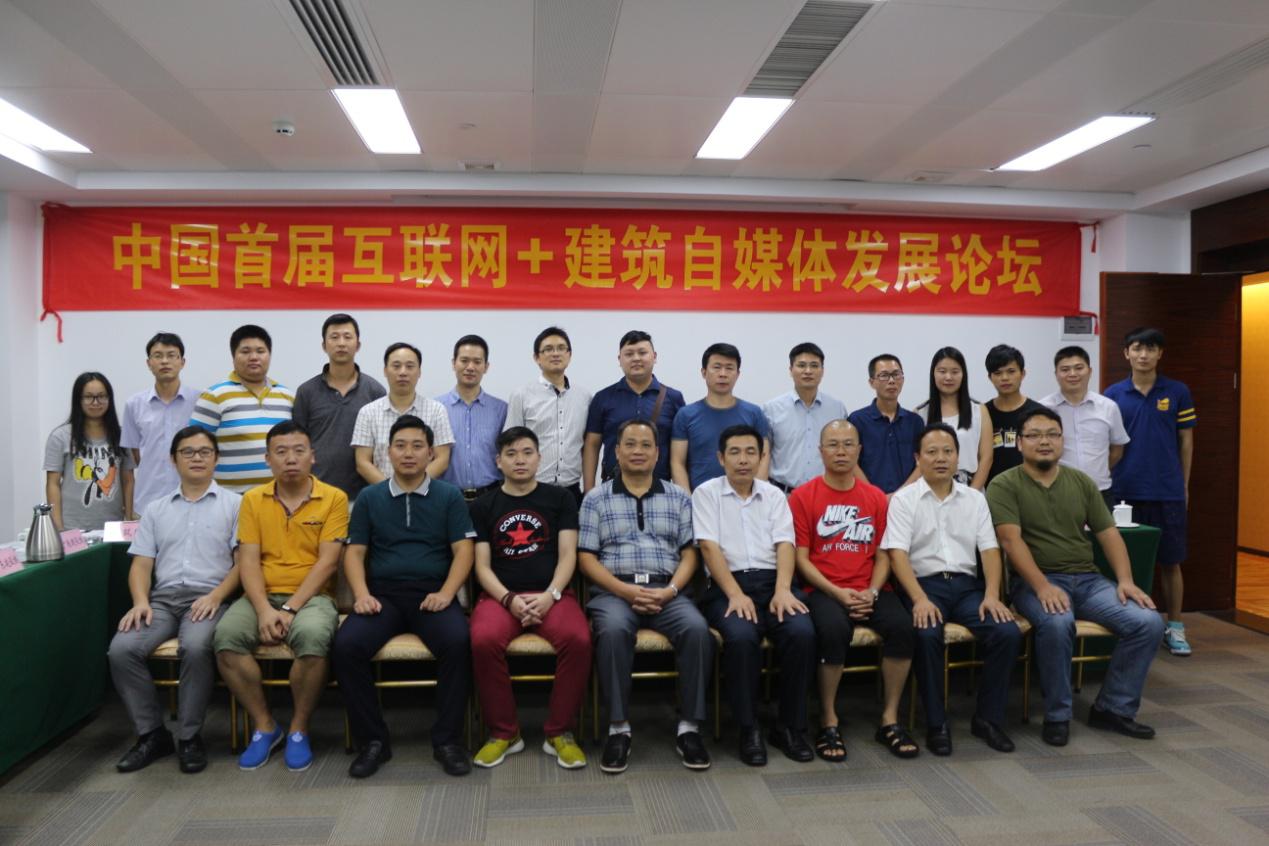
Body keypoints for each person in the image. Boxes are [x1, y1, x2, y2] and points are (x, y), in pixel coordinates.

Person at [986, 407, 1164, 747]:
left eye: (1052, 434)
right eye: (1035, 435)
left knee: (1149, 623)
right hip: (1035, 582)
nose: (1044, 441)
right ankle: (1057, 715)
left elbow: (1108, 534)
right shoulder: (1004, 484)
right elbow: (1010, 541)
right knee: (1057, 623)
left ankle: (1113, 708)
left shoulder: (1081, 482)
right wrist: (1042, 586)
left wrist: (1125, 580)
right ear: (1020, 443)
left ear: (1062, 441)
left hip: (1088, 581)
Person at [333, 415, 477, 778]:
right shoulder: (370, 498)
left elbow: (464, 551)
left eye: (417, 446)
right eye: (400, 446)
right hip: (383, 597)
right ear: (387, 452)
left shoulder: (449, 496)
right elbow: (355, 553)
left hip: (433, 595)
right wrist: (361, 595)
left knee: (459, 642)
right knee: (347, 646)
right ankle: (373, 741)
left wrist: (446, 593)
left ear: (431, 453)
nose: (408, 453)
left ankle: (448, 741)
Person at [579, 418, 714, 774]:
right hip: (614, 590)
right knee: (612, 632)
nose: (637, 451)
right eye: (630, 444)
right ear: (616, 451)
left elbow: (690, 554)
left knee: (697, 630)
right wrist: (623, 589)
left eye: (645, 445)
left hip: (667, 589)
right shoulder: (595, 499)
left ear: (657, 453)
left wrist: (671, 591)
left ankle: (689, 727)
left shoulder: (678, 497)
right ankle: (618, 729)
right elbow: (586, 558)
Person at [213, 421, 347, 772]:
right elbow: (248, 561)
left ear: (312, 456)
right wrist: (262, 609)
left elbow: (328, 563)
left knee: (314, 638)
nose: (291, 459)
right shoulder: (252, 500)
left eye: (299, 451)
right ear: (268, 459)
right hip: (261, 594)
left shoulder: (334, 498)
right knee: (226, 639)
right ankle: (265, 725)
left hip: (313, 596)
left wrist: (289, 608)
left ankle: (299, 728)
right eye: (281, 452)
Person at [882, 423, 1022, 756]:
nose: (941, 458)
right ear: (918, 458)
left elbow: (989, 549)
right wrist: (918, 599)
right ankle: (936, 723)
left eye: (948, 451)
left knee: (1006, 631)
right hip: (923, 586)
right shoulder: (903, 500)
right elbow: (897, 554)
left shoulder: (974, 499)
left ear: (958, 457)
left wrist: (992, 595)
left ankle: (988, 719)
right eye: (931, 452)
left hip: (967, 588)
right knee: (927, 633)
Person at [108, 426, 241, 774]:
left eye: (204, 452)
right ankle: (152, 734)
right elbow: (141, 564)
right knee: (122, 649)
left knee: (195, 647)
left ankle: (189, 737)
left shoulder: (236, 505)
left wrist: (216, 596)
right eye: (188, 452)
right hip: (162, 601)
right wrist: (140, 601)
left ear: (216, 459)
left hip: (209, 598)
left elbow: (243, 565)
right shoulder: (155, 509)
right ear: (173, 459)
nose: (197, 458)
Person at [789, 419, 917, 762]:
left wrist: (872, 592)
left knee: (903, 628)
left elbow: (884, 555)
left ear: (859, 450)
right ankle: (828, 718)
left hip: (870, 588)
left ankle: (889, 719)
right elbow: (801, 559)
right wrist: (836, 592)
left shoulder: (875, 497)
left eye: (848, 444)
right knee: (832, 630)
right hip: (824, 590)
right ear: (821, 451)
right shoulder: (802, 496)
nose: (841, 451)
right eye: (833, 444)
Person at [469, 427, 591, 769]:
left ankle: (560, 732)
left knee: (579, 640)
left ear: (539, 458)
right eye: (511, 454)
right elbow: (481, 566)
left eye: (526, 452)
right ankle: (504, 733)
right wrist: (509, 600)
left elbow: (568, 556)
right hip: (501, 597)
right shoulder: (483, 505)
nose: (519, 460)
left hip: (552, 595)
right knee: (482, 640)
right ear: (498, 461)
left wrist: (551, 596)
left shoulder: (560, 499)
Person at [693, 425, 815, 766]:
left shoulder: (774, 495)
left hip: (773, 582)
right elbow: (708, 547)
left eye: (751, 452)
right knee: (742, 637)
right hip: (726, 587)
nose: (743, 460)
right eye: (735, 452)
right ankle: (748, 729)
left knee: (802, 633)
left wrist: (783, 590)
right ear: (721, 458)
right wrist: (735, 594)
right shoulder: (706, 493)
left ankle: (789, 726)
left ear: (762, 457)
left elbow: (785, 544)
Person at [1105, 328, 1196, 656]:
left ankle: (1175, 627)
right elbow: (1108, 444)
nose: (1143, 354)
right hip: (1124, 490)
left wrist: (1183, 484)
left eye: (1150, 348)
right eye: (1137, 348)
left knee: (1171, 561)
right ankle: (1126, 627)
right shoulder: (1113, 394)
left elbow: (1186, 441)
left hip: (1166, 491)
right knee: (1122, 563)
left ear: (1160, 353)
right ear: (1126, 353)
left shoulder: (1177, 391)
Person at [189, 324, 295, 493]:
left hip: (279, 498)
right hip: (230, 498)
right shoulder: (214, 396)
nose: (254, 357)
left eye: (260, 351)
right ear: (233, 357)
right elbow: (193, 446)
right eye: (245, 352)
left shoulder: (287, 397)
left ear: (269, 355)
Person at [291, 313, 386, 500]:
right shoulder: (306, 392)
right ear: (324, 345)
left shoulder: (375, 391)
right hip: (317, 494)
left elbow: (383, 446)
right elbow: (297, 444)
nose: (341, 343)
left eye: (347, 337)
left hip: (364, 495)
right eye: (334, 337)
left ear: (358, 345)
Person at [583, 330, 685, 489]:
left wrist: (682, 493)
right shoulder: (603, 398)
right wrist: (588, 491)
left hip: (661, 489)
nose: (636, 358)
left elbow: (681, 451)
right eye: (629, 354)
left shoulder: (673, 398)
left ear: (654, 356)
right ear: (620, 359)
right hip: (613, 489)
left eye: (642, 353)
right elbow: (592, 445)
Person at [504, 326, 592, 504]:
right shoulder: (521, 395)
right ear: (537, 357)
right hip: (531, 489)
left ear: (569, 354)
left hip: (571, 490)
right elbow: (510, 445)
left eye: (561, 348)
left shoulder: (584, 397)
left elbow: (586, 445)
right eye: (548, 349)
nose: (555, 353)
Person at [670, 342, 770, 491]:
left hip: (745, 498)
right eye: (717, 367)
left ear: (738, 374)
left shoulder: (754, 413)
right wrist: (688, 500)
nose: (723, 374)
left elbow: (764, 458)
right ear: (704, 372)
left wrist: (756, 496)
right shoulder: (686, 415)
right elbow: (677, 463)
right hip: (699, 499)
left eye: (729, 368)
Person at [1040, 346, 1129, 511]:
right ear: (1056, 374)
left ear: (1090, 371)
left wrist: (1098, 470)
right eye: (1065, 369)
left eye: (1079, 368)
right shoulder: (1043, 409)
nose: (1072, 374)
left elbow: (1117, 450)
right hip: (1056, 492)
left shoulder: (1108, 407)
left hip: (1100, 492)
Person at [121, 332, 201, 517]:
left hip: (193, 500)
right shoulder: (134, 404)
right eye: (158, 356)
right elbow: (134, 456)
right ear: (149, 363)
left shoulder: (200, 401)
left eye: (171, 355)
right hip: (147, 502)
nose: (165, 361)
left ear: (182, 362)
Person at [44, 371, 135, 531]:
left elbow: (128, 481)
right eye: (88, 397)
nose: (95, 402)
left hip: (113, 527)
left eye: (101, 396)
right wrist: (58, 527)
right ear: (78, 400)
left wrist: (129, 520)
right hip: (72, 528)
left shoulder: (121, 436)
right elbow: (53, 484)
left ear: (109, 399)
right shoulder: (60, 436)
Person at [352, 342, 454, 485]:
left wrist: (414, 487)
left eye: (410, 366)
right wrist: (391, 490)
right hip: (382, 493)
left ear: (419, 372)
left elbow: (442, 459)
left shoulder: (437, 410)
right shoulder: (367, 413)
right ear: (385, 371)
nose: (403, 372)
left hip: (425, 493)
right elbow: (363, 462)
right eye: (396, 366)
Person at [763, 342, 847, 493]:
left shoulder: (837, 409)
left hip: (825, 494)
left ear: (822, 371)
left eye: (814, 366)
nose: (808, 371)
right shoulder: (771, 409)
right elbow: (764, 454)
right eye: (801, 365)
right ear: (791, 370)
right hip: (783, 495)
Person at [438, 334, 508, 501]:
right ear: (453, 363)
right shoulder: (436, 408)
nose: (470, 367)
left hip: (491, 497)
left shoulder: (501, 409)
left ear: (486, 366)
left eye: (477, 362)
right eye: (464, 361)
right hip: (447, 498)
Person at [914, 346, 994, 489]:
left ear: (963, 374)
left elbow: (986, 458)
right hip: (930, 490)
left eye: (955, 372)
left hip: (970, 488)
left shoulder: (979, 410)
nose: (948, 377)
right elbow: (917, 460)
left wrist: (971, 495)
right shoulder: (920, 413)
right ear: (933, 374)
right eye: (942, 371)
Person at [848, 354, 923, 495]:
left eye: (896, 375)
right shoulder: (857, 420)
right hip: (866, 497)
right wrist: (874, 496)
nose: (891, 381)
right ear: (871, 382)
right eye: (884, 376)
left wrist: (899, 495)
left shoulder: (915, 422)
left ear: (903, 379)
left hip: (908, 498)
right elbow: (851, 462)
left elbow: (922, 463)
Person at [982, 344, 1045, 484]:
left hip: (1031, 487)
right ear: (990, 377)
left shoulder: (1039, 413)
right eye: (998, 373)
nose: (1005, 378)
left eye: (1011, 371)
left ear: (1022, 374)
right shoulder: (982, 414)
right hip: (993, 490)